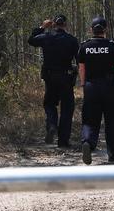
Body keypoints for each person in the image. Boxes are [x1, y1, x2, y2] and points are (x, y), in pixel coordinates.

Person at [77, 17, 114, 165]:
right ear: (105, 30)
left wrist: (83, 85)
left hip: (91, 88)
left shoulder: (85, 47)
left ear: (91, 29)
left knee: (89, 120)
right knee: (112, 122)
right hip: (111, 88)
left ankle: (88, 142)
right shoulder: (111, 46)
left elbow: (81, 68)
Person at [28, 14, 79, 147]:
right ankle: (63, 141)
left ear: (53, 24)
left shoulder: (46, 37)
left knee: (50, 104)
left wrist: (41, 27)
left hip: (50, 77)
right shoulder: (72, 40)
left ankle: (51, 125)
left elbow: (31, 40)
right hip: (66, 77)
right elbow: (79, 61)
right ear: (65, 25)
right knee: (67, 108)